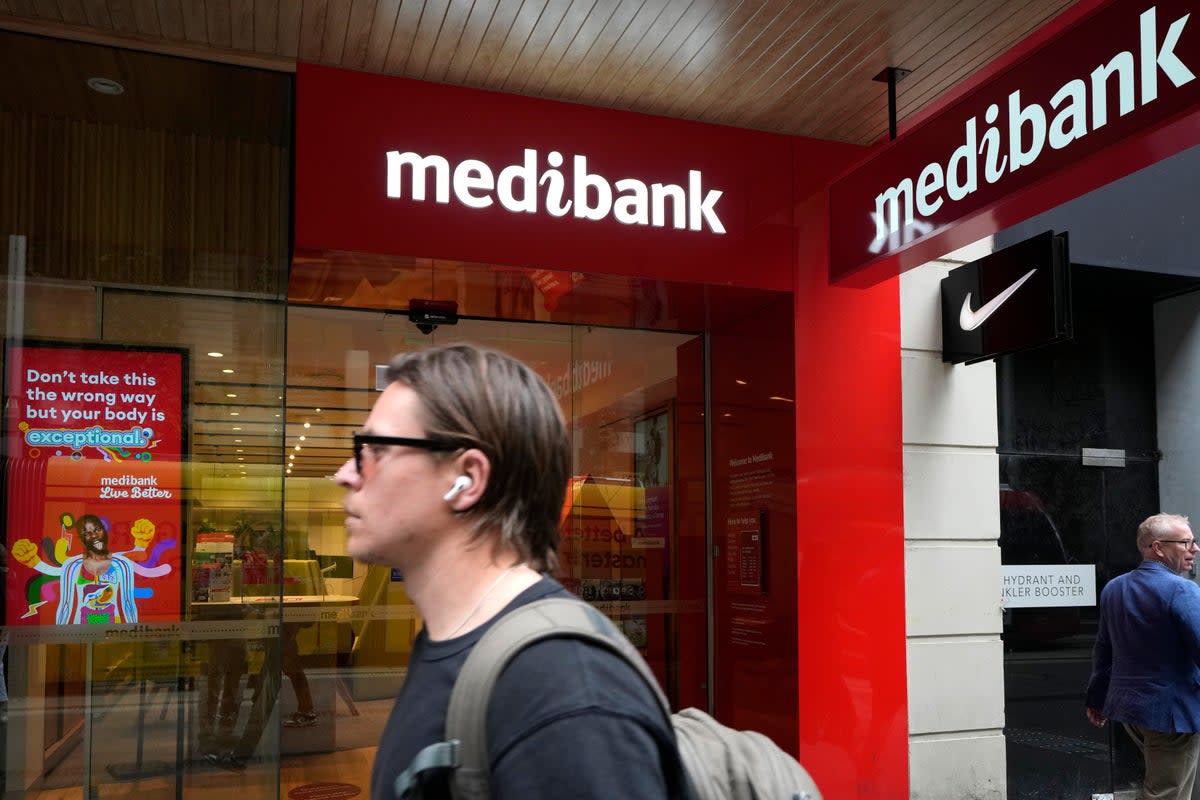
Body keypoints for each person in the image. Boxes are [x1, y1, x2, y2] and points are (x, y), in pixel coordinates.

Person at [334, 344, 689, 799]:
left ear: (467, 479)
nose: (347, 473)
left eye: (374, 449)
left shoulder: (561, 693)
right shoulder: (452, 643)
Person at [1086, 513, 1200, 800]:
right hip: (1173, 713)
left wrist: (1096, 697)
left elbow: (1104, 649)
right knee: (1166, 792)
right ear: (1158, 547)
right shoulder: (1181, 589)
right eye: (1186, 542)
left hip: (1131, 710)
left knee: (1163, 786)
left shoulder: (1114, 587)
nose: (1195, 549)